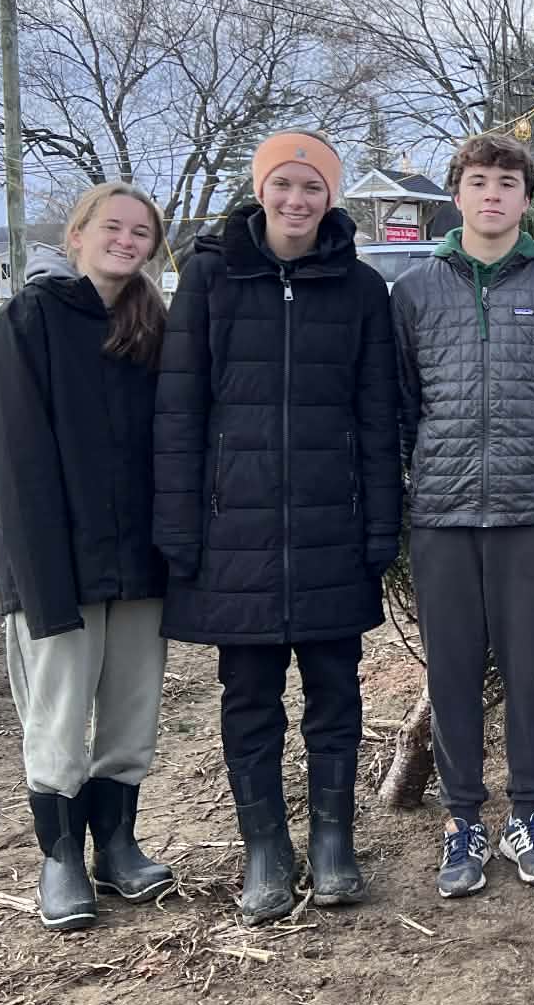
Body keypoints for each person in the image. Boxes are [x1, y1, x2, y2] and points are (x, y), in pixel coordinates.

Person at [154, 130, 401, 926]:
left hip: (333, 529)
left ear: (332, 197)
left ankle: (334, 843)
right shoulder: (210, 278)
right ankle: (265, 848)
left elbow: (378, 419)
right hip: (237, 532)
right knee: (249, 697)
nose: (298, 199)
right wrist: (180, 530)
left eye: (313, 186)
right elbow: (179, 411)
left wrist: (380, 526)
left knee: (336, 693)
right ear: (261, 189)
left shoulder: (362, 289)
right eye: (284, 184)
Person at [392, 133, 534, 898]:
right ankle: (463, 822)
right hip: (443, 517)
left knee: (529, 676)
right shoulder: (415, 292)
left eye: (507, 182)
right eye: (478, 181)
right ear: (457, 195)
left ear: (526, 199)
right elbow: (401, 406)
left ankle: (529, 815)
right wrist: (415, 490)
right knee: (451, 676)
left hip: (532, 514)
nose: (492, 193)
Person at [0, 183, 173, 931]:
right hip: (57, 563)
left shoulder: (152, 325)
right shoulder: (28, 319)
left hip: (139, 563)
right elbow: (14, 455)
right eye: (112, 227)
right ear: (77, 236)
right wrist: (37, 579)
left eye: (140, 232)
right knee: (58, 718)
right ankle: (59, 858)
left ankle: (118, 845)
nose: (126, 241)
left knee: (131, 711)